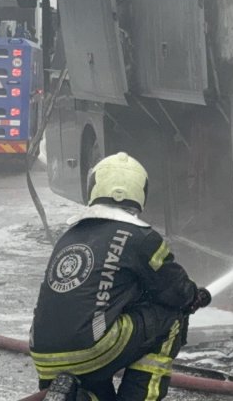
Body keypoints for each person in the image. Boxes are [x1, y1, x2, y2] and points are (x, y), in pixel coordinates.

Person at [31, 152, 211, 401]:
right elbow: (176, 292)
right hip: (91, 350)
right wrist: (195, 297)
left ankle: (82, 396)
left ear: (93, 187)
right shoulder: (141, 238)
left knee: (104, 332)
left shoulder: (71, 235)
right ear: (140, 192)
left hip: (44, 355)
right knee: (171, 319)